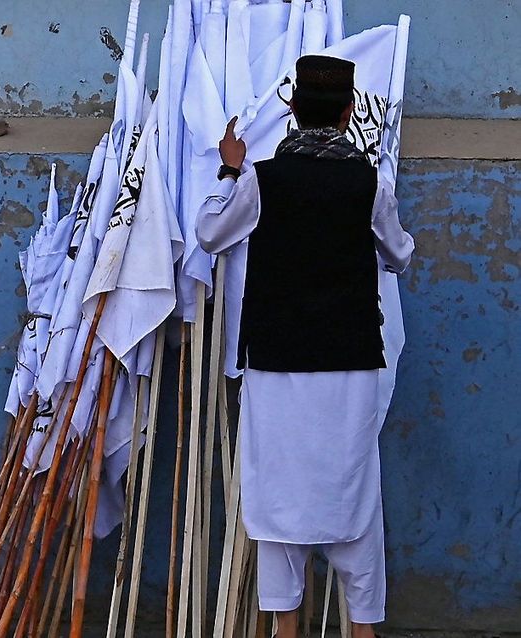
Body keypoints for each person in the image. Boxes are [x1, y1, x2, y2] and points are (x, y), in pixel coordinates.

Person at [196, 55, 414, 638]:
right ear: (348, 113)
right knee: (354, 491)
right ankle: (362, 626)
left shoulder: (260, 180)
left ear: (292, 110)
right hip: (350, 363)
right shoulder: (371, 182)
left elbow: (211, 233)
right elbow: (399, 254)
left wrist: (227, 169)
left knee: (279, 492)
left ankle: (286, 625)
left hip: (276, 361)